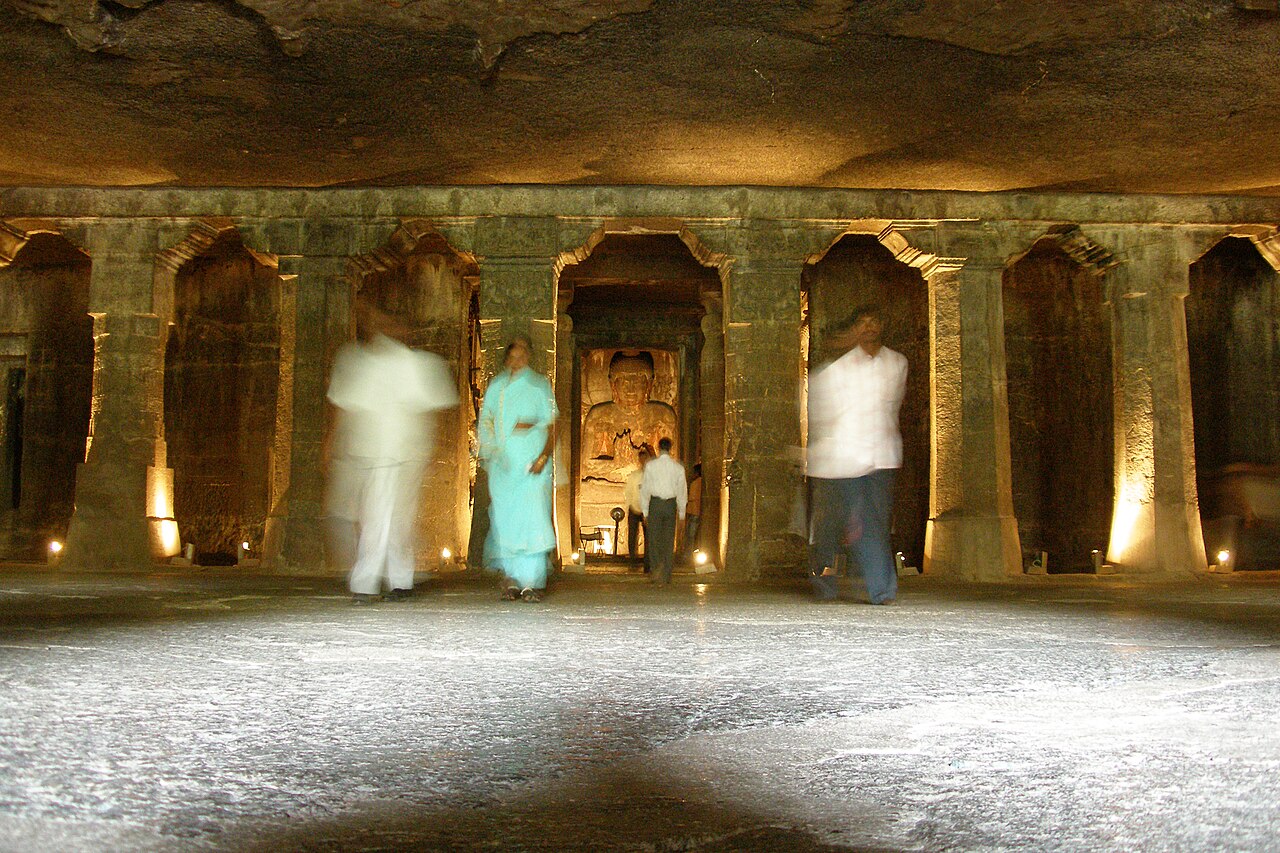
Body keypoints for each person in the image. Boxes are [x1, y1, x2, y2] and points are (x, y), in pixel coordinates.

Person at [324, 301, 457, 605]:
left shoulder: (412, 363)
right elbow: (344, 407)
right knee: (380, 516)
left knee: (395, 518)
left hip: (399, 451)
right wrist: (334, 443)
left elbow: (428, 412)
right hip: (379, 451)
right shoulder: (361, 360)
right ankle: (377, 580)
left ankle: (389, 579)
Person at [806, 305, 907, 605]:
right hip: (841, 460)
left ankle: (882, 590)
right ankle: (823, 579)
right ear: (853, 331)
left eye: (874, 321)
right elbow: (825, 418)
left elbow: (891, 406)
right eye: (862, 323)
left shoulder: (896, 363)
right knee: (831, 526)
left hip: (881, 456)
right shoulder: (835, 372)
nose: (869, 328)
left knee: (872, 523)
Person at [478, 336, 558, 603]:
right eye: (513, 355)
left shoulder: (539, 385)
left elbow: (552, 424)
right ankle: (511, 580)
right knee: (506, 523)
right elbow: (486, 420)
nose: (517, 360)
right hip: (505, 467)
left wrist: (543, 457)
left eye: (523, 354)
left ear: (529, 357)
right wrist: (491, 451)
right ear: (506, 358)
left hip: (531, 466)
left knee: (532, 520)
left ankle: (532, 583)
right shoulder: (496, 386)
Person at [581, 350, 678, 482]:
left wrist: (639, 464)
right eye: (624, 383)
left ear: (649, 385)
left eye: (637, 382)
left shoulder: (662, 416)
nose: (630, 389)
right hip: (609, 485)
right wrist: (619, 463)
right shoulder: (599, 416)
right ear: (613, 385)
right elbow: (586, 466)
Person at [641, 437, 687, 585]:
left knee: (653, 539)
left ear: (659, 448)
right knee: (668, 541)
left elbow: (645, 489)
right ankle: (666, 575)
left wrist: (645, 511)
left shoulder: (651, 466)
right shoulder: (678, 468)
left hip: (655, 503)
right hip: (670, 504)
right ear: (671, 448)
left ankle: (655, 570)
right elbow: (682, 491)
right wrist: (682, 513)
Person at [622, 446, 654, 570]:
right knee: (632, 536)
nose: (643, 461)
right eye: (641, 459)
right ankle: (632, 561)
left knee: (649, 538)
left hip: (648, 509)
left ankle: (648, 563)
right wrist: (629, 505)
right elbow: (629, 491)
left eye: (645, 459)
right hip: (634, 508)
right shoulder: (634, 475)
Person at [683, 463, 702, 559]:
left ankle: (688, 555)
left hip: (693, 511)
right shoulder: (702, 483)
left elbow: (691, 497)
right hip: (698, 511)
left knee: (690, 536)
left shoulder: (695, 483)